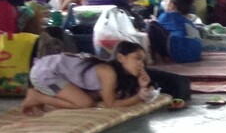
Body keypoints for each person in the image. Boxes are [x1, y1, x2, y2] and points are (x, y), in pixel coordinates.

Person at [22, 41, 153, 115]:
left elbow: (116, 97)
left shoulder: (118, 75)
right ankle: (37, 97)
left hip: (52, 70)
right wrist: (139, 97)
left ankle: (40, 96)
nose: (141, 64)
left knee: (90, 99)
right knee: (84, 103)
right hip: (45, 74)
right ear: (121, 58)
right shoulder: (108, 72)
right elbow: (110, 105)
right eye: (137, 58)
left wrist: (142, 87)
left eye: (143, 61)